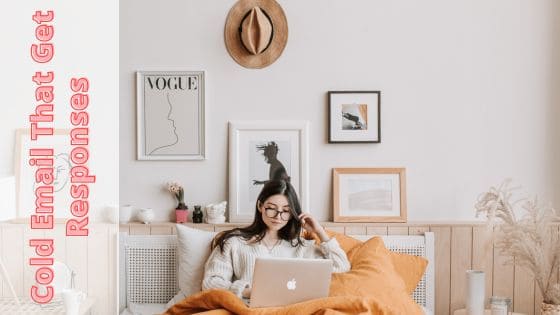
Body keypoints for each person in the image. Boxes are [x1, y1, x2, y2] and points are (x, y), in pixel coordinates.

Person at [202, 179, 350, 299]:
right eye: (272, 208)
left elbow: (341, 266)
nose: (278, 217)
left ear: (293, 213)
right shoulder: (234, 243)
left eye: (286, 211)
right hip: (248, 309)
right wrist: (248, 292)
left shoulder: (302, 247)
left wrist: (319, 231)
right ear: (260, 205)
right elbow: (210, 283)